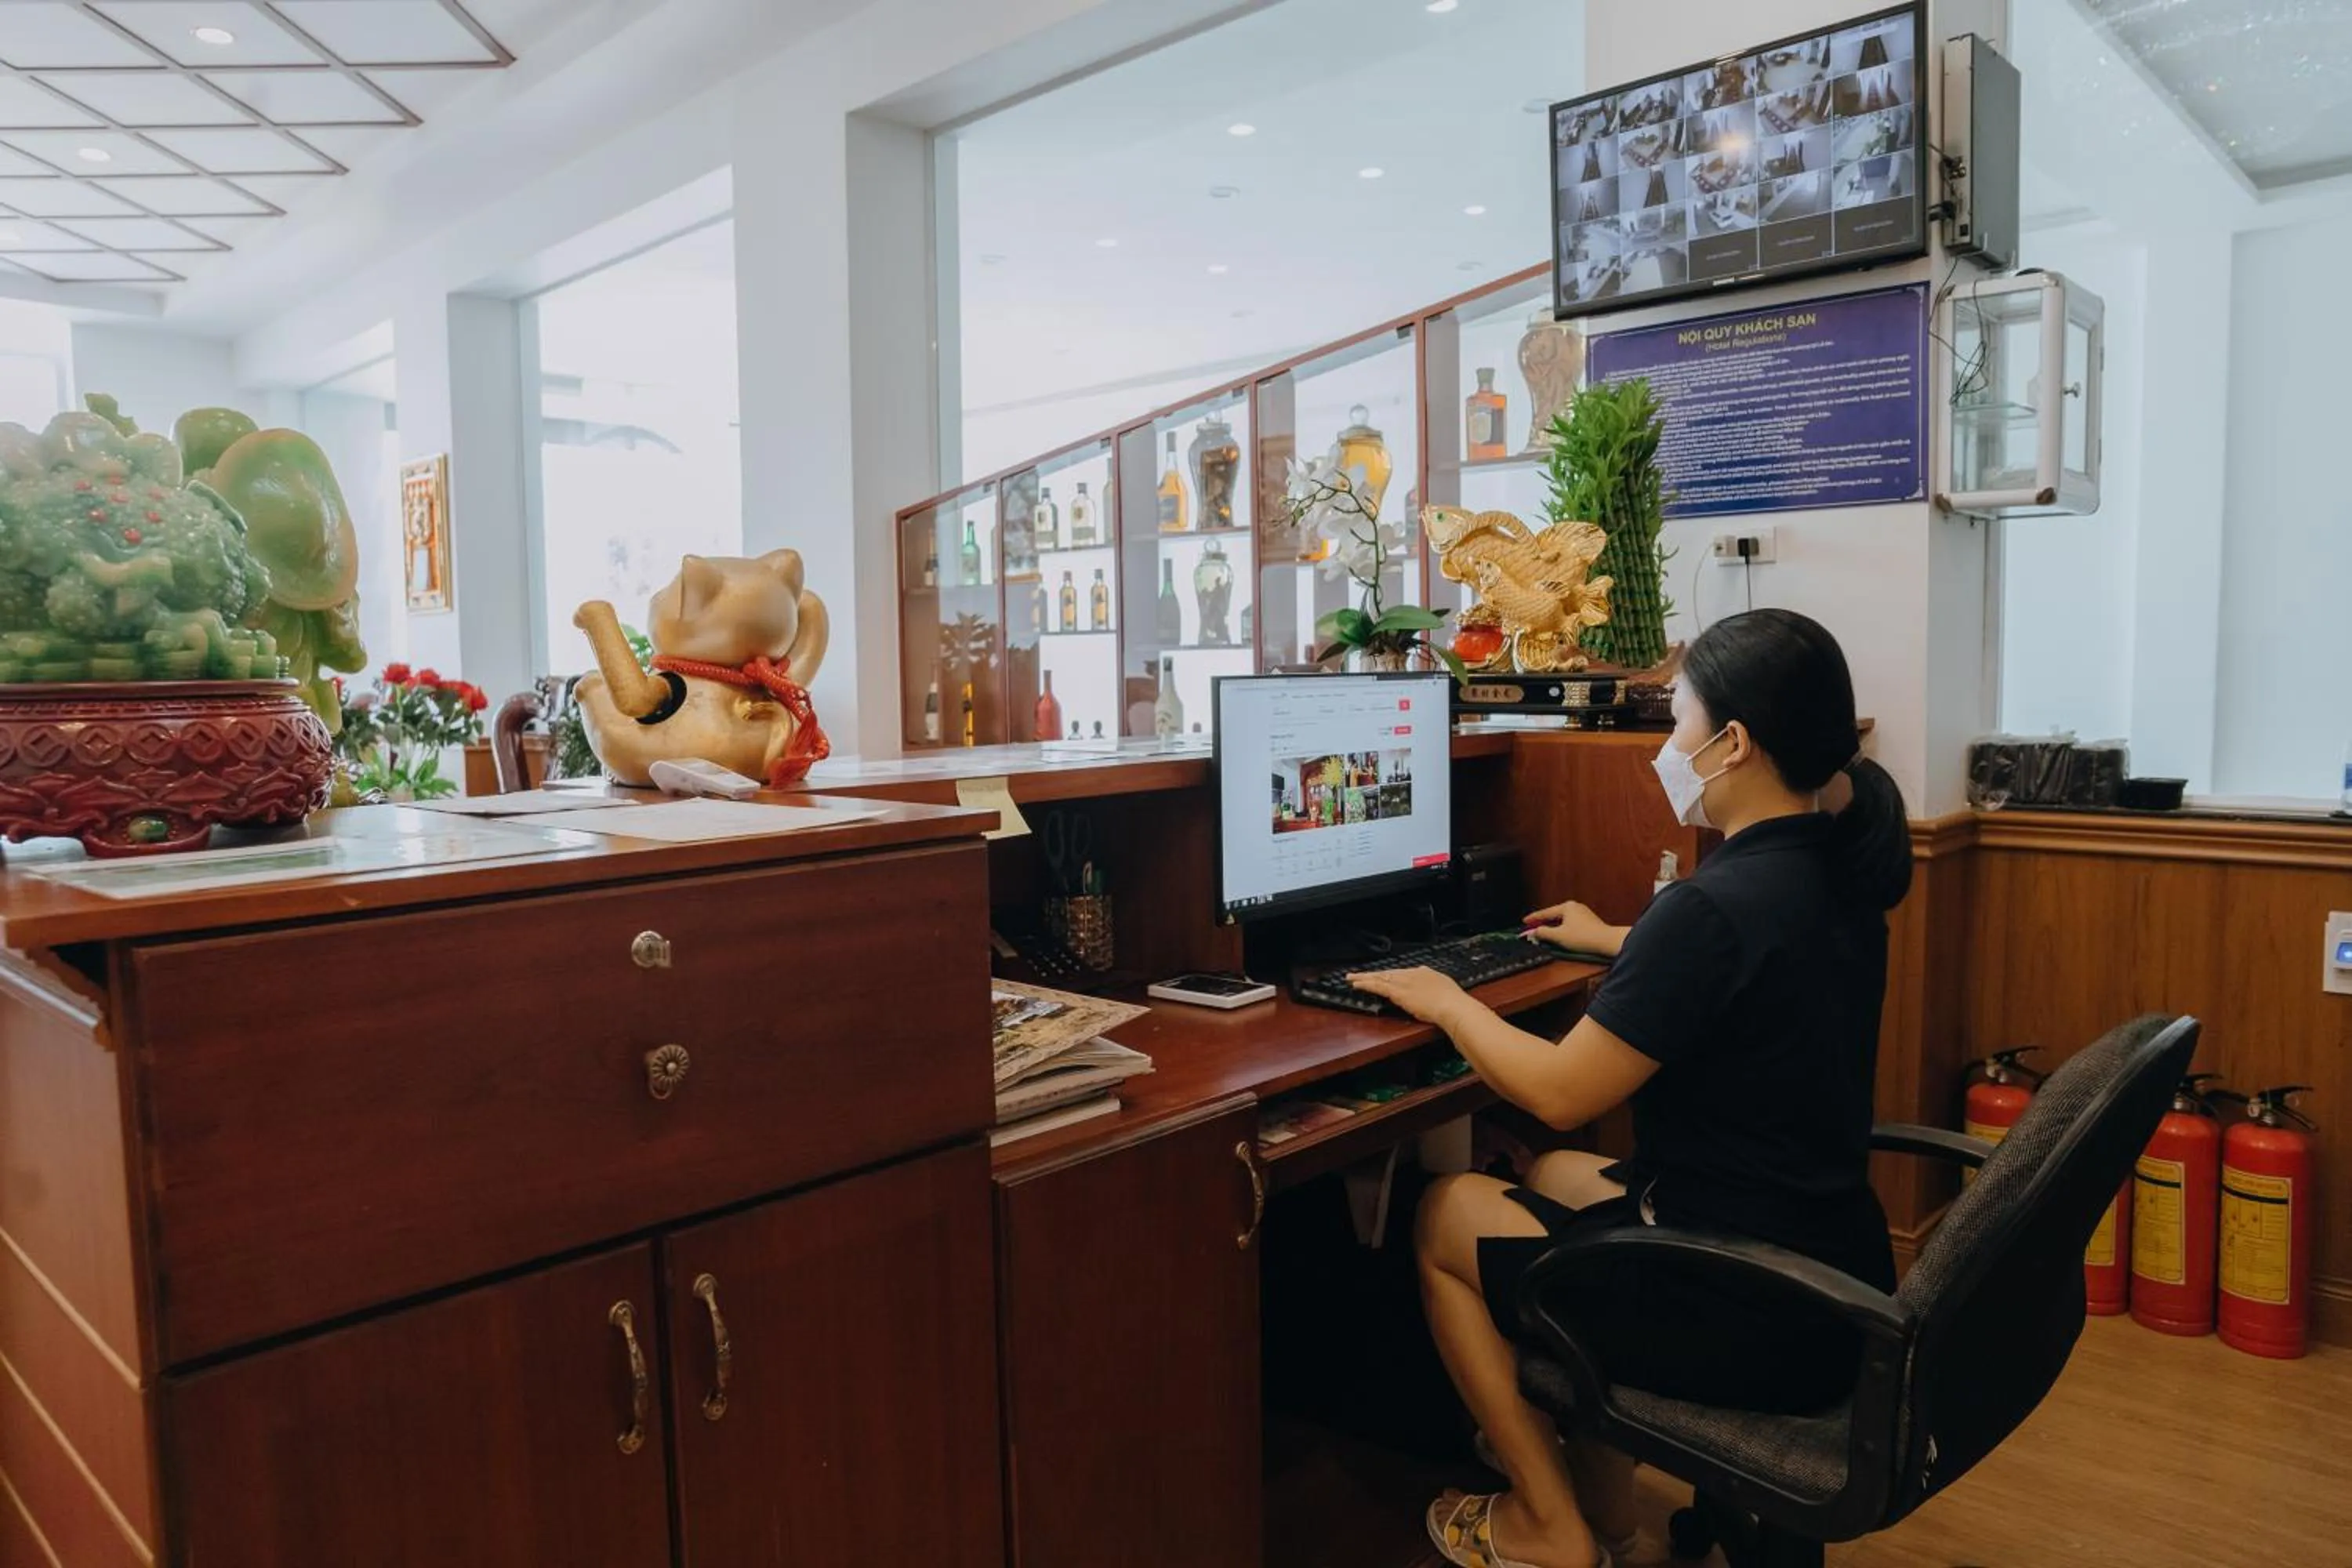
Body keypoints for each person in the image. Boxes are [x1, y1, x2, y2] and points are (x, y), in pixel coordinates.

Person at [1347, 608, 1913, 1568]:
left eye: (1678, 720)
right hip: (1834, 1280)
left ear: (1731, 743)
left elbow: (1557, 1088)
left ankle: (1549, 1524)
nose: (1667, 744)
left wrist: (1446, 998)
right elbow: (1743, 969)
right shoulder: (1836, 868)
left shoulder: (1709, 908)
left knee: (1447, 1214)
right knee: (1567, 1173)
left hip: (1749, 1311)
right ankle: (1611, 1520)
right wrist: (1623, 940)